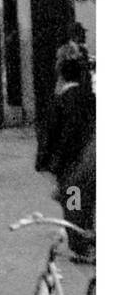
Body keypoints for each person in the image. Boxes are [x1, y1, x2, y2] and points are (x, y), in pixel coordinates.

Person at [48, 58, 94, 250]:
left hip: (74, 162)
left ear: (61, 76)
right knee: (86, 201)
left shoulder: (64, 100)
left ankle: (78, 243)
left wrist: (54, 162)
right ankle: (85, 233)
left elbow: (63, 135)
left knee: (73, 202)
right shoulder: (90, 97)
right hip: (89, 160)